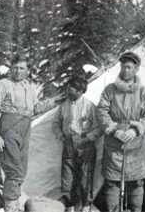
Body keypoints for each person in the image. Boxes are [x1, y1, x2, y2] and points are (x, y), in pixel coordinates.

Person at [0, 60, 65, 212]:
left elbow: (35, 108)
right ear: (11, 69)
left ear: (27, 70)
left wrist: (54, 100)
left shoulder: (29, 88)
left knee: (22, 169)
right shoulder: (3, 84)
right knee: (14, 170)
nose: (18, 71)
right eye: (15, 68)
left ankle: (13, 201)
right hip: (9, 126)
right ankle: (10, 205)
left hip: (25, 127)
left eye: (22, 68)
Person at [97, 51, 145, 212]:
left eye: (129, 67)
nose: (126, 70)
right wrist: (113, 129)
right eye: (123, 66)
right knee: (112, 181)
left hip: (136, 145)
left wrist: (135, 130)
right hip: (114, 144)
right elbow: (101, 111)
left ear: (136, 69)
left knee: (136, 181)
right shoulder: (110, 90)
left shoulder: (143, 92)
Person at [52, 76, 103, 212]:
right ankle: (70, 207)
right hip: (68, 144)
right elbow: (56, 123)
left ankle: (86, 207)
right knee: (67, 177)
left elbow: (100, 127)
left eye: (71, 90)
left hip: (85, 144)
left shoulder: (89, 106)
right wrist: (61, 136)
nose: (68, 93)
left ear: (80, 91)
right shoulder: (64, 106)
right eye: (67, 89)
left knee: (85, 177)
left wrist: (88, 138)